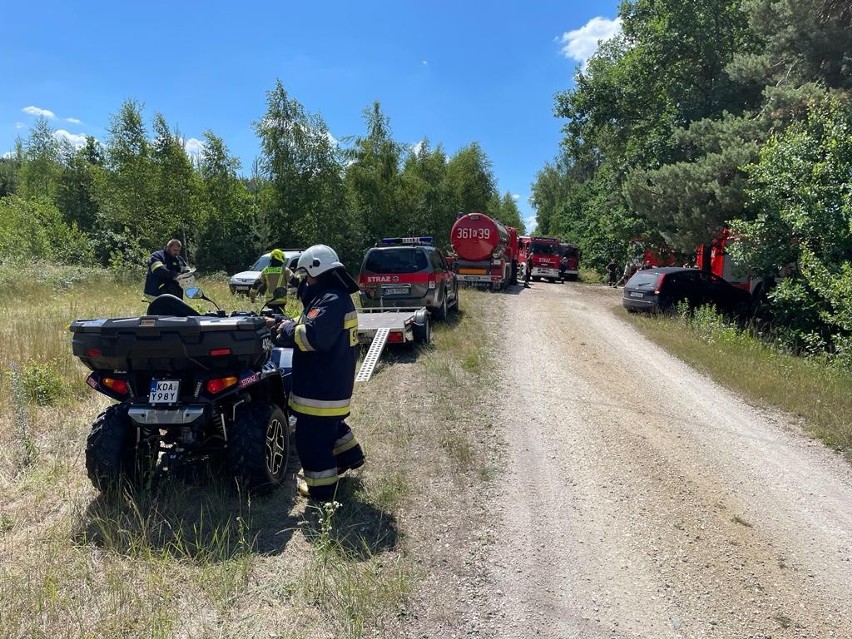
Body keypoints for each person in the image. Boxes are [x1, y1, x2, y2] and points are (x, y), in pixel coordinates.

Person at [274, 244, 365, 501]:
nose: (306, 281)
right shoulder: (333, 296)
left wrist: (288, 329)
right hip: (330, 384)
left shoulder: (331, 301)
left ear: (318, 270)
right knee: (329, 427)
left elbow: (313, 336)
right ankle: (350, 456)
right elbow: (312, 304)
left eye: (307, 275)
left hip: (320, 389)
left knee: (311, 441)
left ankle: (322, 491)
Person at [251, 248, 294, 313]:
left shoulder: (266, 270)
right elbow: (294, 281)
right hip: (281, 302)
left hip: (269, 302)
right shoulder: (284, 270)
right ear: (280, 257)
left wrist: (252, 297)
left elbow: (256, 283)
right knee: (281, 320)